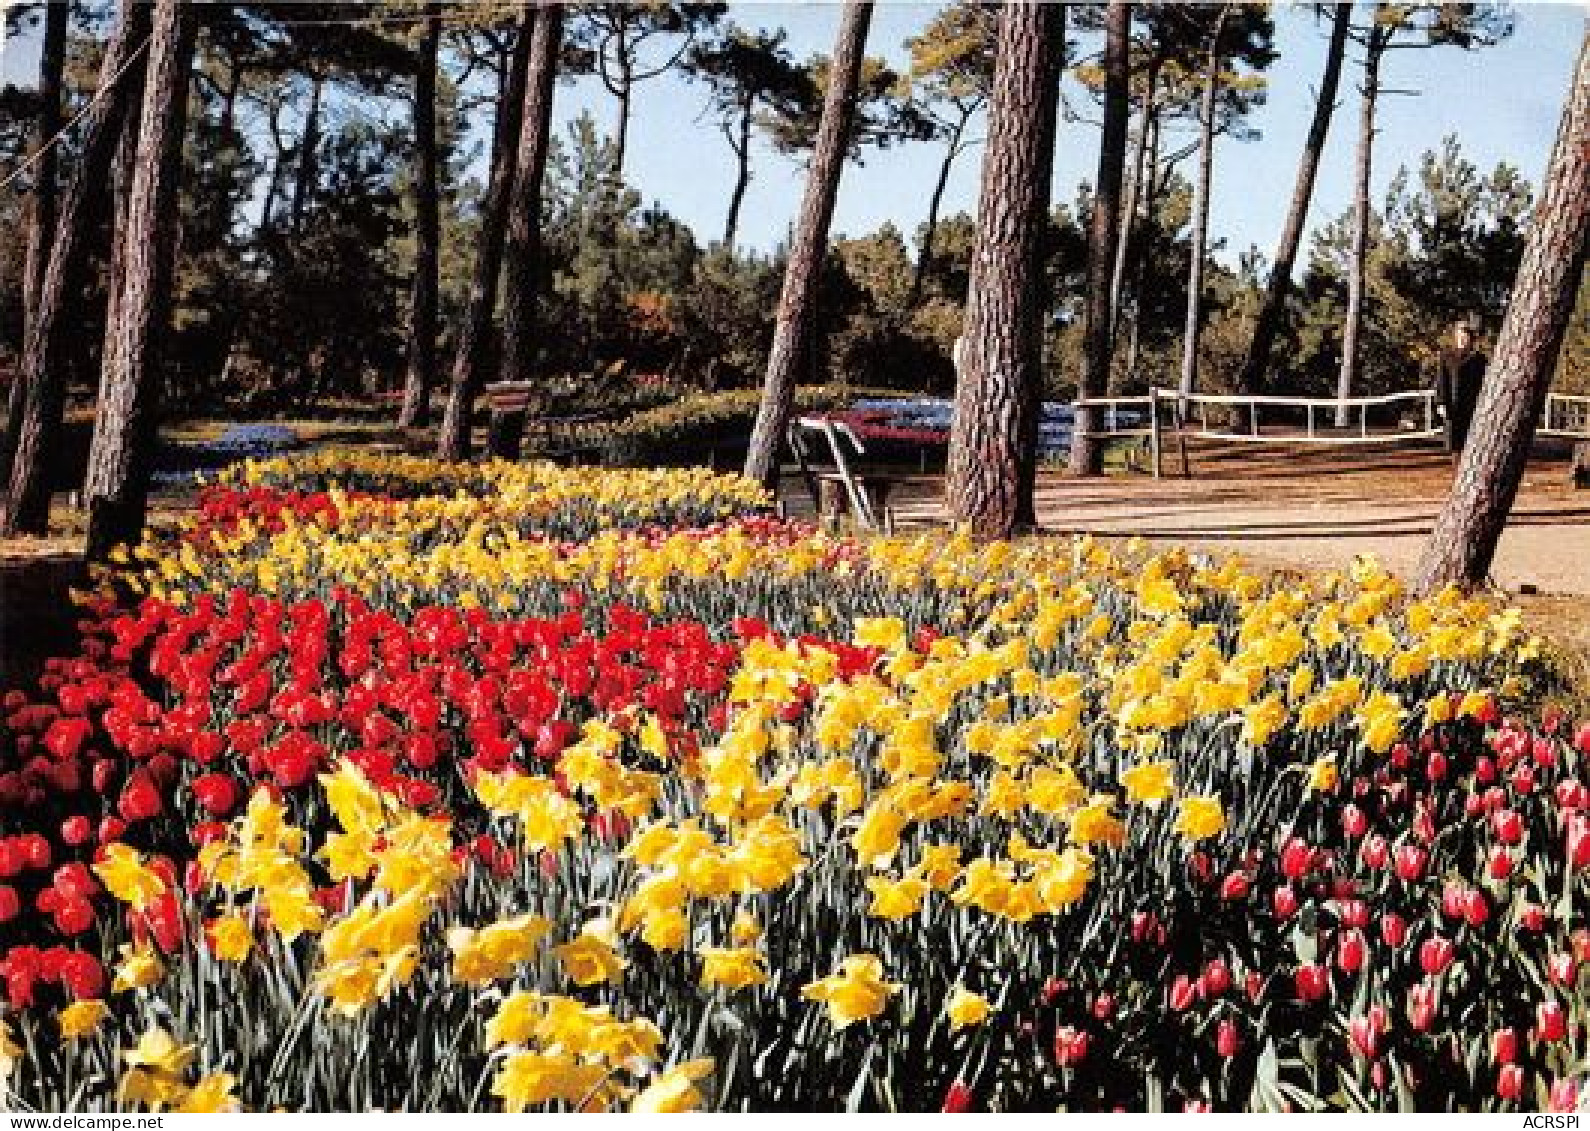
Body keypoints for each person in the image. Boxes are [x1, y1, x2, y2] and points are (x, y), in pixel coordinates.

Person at [1434, 316, 1487, 456]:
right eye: (1460, 336)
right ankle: (1458, 475)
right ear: (1455, 337)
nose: (1463, 340)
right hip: (1453, 407)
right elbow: (1441, 380)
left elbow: (1484, 384)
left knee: (1472, 444)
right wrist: (1441, 403)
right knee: (1454, 446)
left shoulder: (1479, 359)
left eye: (1466, 336)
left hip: (1473, 408)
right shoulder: (1446, 356)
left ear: (1471, 339)